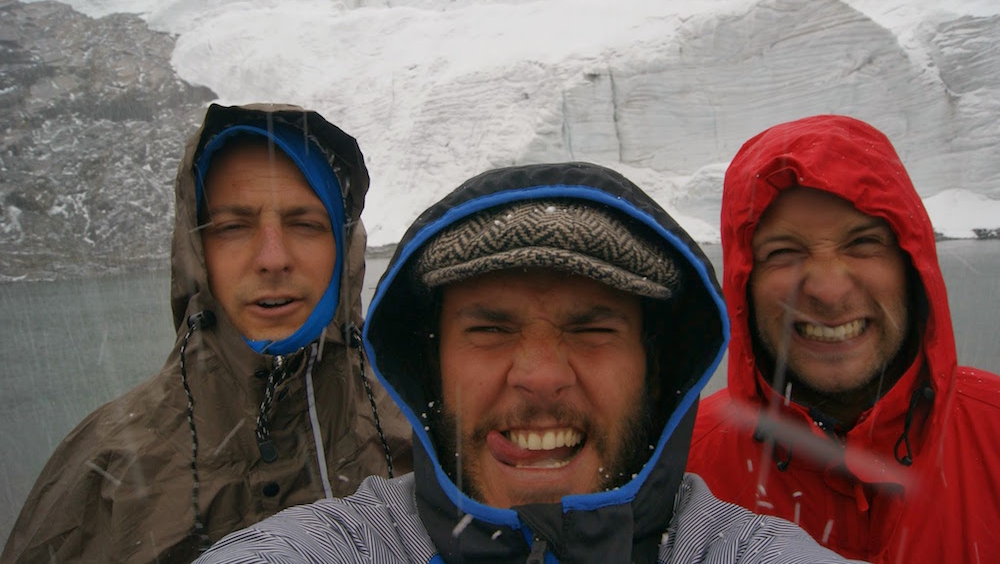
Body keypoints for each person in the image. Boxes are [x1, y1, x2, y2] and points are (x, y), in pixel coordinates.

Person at [195, 161, 862, 563]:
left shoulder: (735, 550)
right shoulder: (349, 542)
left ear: (655, 371)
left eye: (593, 326)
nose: (540, 375)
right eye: (489, 328)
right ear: (431, 367)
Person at [2, 103, 413, 563]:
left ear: (343, 248)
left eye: (305, 224)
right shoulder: (109, 469)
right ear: (196, 253)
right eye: (233, 227)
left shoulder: (421, 432)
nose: (273, 258)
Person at [688, 115, 1000, 563]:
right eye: (784, 253)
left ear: (912, 267)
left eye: (862, 243)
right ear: (744, 285)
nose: (829, 290)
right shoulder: (682, 466)